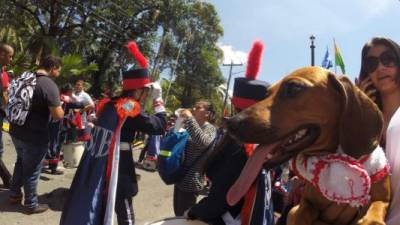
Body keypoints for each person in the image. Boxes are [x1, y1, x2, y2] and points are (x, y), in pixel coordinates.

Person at [186, 40, 274, 225]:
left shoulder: (240, 145)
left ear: (236, 107)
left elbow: (223, 200)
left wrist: (194, 211)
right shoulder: (261, 144)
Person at [8, 55, 64, 214]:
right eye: (59, 69)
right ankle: (31, 204)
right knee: (32, 171)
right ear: (53, 68)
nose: (59, 73)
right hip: (34, 136)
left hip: (16, 130)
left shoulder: (26, 77)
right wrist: (62, 106)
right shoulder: (49, 85)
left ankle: (14, 194)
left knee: (21, 162)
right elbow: (58, 115)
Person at [357, 37, 400, 225]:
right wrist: (361, 111)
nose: (381, 67)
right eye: (372, 63)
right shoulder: (365, 121)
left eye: (388, 59)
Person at [173, 100, 217, 216]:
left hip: (192, 182)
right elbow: (175, 138)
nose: (194, 108)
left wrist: (189, 119)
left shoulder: (210, 129)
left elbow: (202, 142)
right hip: (180, 178)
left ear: (207, 114)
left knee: (184, 217)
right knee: (178, 215)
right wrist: (180, 121)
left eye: (198, 107)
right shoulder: (192, 126)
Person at [44, 83, 85, 175]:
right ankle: (53, 167)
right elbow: (79, 104)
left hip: (54, 123)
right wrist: (79, 101)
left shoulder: (58, 97)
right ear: (68, 91)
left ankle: (51, 165)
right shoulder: (65, 98)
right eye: (71, 91)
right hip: (59, 124)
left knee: (54, 144)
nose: (72, 93)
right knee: (56, 145)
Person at [0, 43, 13, 188]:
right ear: (2, 54)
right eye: (9, 56)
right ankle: (8, 178)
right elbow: (4, 99)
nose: (11, 59)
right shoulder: (3, 75)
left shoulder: (3, 73)